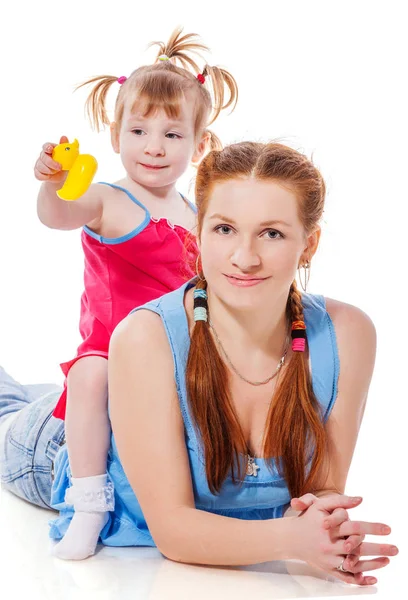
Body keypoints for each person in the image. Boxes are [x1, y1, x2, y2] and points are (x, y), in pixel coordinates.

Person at [1, 141, 398, 585]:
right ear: (199, 231)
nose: (244, 258)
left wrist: (329, 533)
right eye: (224, 229)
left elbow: (317, 495)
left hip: (133, 405)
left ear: (310, 243)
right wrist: (292, 541)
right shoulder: (144, 336)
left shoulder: (349, 334)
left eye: (272, 233)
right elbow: (174, 533)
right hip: (56, 446)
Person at [32, 27, 238, 560]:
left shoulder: (197, 215)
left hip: (173, 354)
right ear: (115, 133)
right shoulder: (108, 199)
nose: (153, 146)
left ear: (200, 145)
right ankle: (90, 500)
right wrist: (54, 184)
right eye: (139, 130)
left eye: (173, 135)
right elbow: (58, 216)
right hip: (112, 349)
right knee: (89, 373)